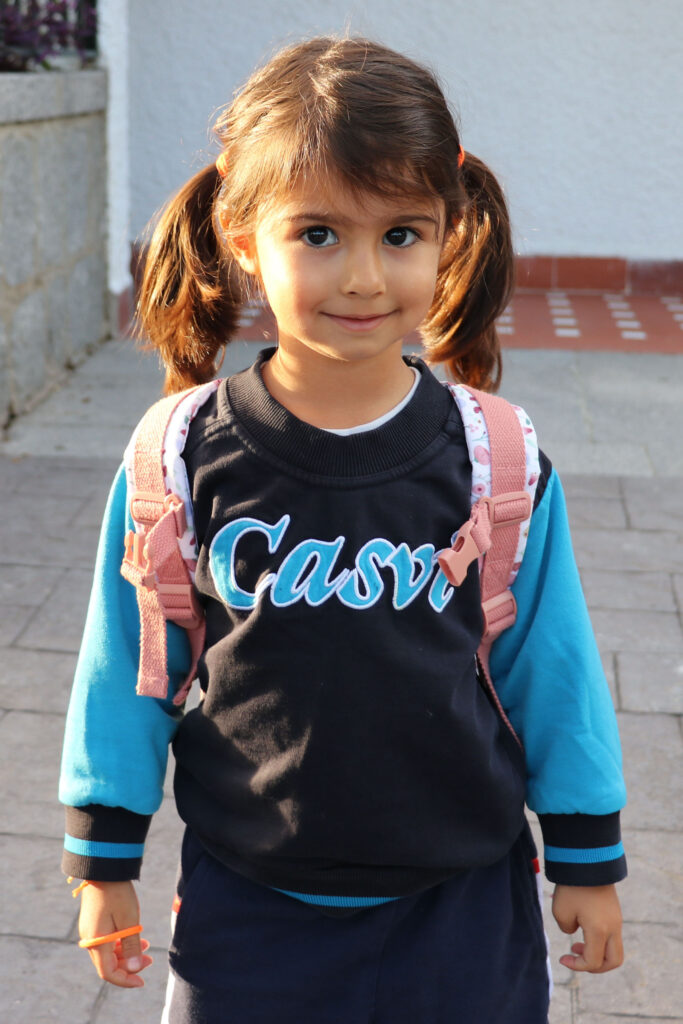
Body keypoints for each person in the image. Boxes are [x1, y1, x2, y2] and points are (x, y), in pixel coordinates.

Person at [59, 35, 626, 1024]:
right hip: (248, 912)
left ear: (449, 231)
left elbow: (554, 667)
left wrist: (584, 853)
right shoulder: (177, 459)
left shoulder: (496, 461)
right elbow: (132, 665)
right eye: (317, 233)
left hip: (460, 908)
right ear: (243, 236)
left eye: (399, 233)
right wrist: (103, 859)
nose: (363, 276)